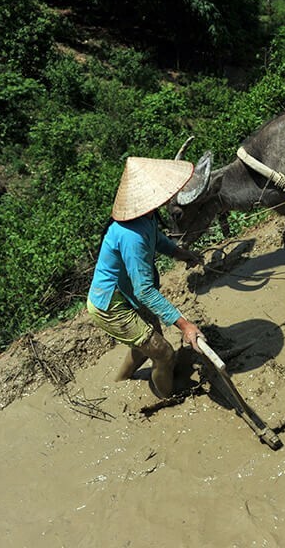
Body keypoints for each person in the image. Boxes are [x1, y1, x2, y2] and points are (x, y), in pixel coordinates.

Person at [87, 156, 206, 397]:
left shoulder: (146, 218)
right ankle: (168, 398)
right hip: (111, 304)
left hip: (127, 294)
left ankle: (120, 381)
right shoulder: (131, 235)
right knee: (164, 353)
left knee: (147, 343)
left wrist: (184, 255)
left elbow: (159, 242)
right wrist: (185, 325)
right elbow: (145, 291)